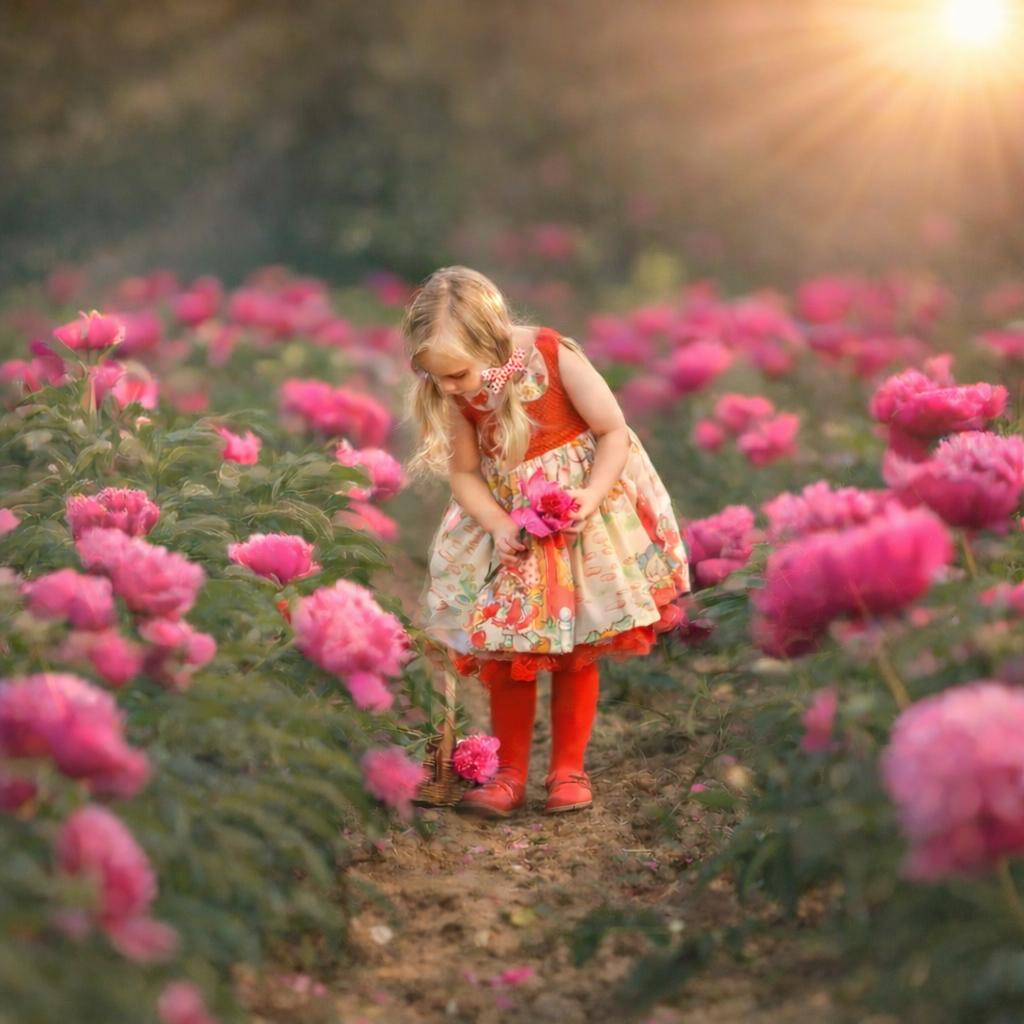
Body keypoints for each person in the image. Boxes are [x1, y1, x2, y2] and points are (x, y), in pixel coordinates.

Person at [403, 266, 689, 818]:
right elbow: (464, 473)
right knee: (512, 654)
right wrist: (497, 523)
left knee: (575, 650)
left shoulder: (556, 358)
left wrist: (590, 495)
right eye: (438, 378)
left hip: (576, 525)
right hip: (514, 535)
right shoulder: (459, 395)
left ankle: (568, 770)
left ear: (490, 343)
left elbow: (612, 430)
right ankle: (509, 774)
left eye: (459, 374)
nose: (450, 387)